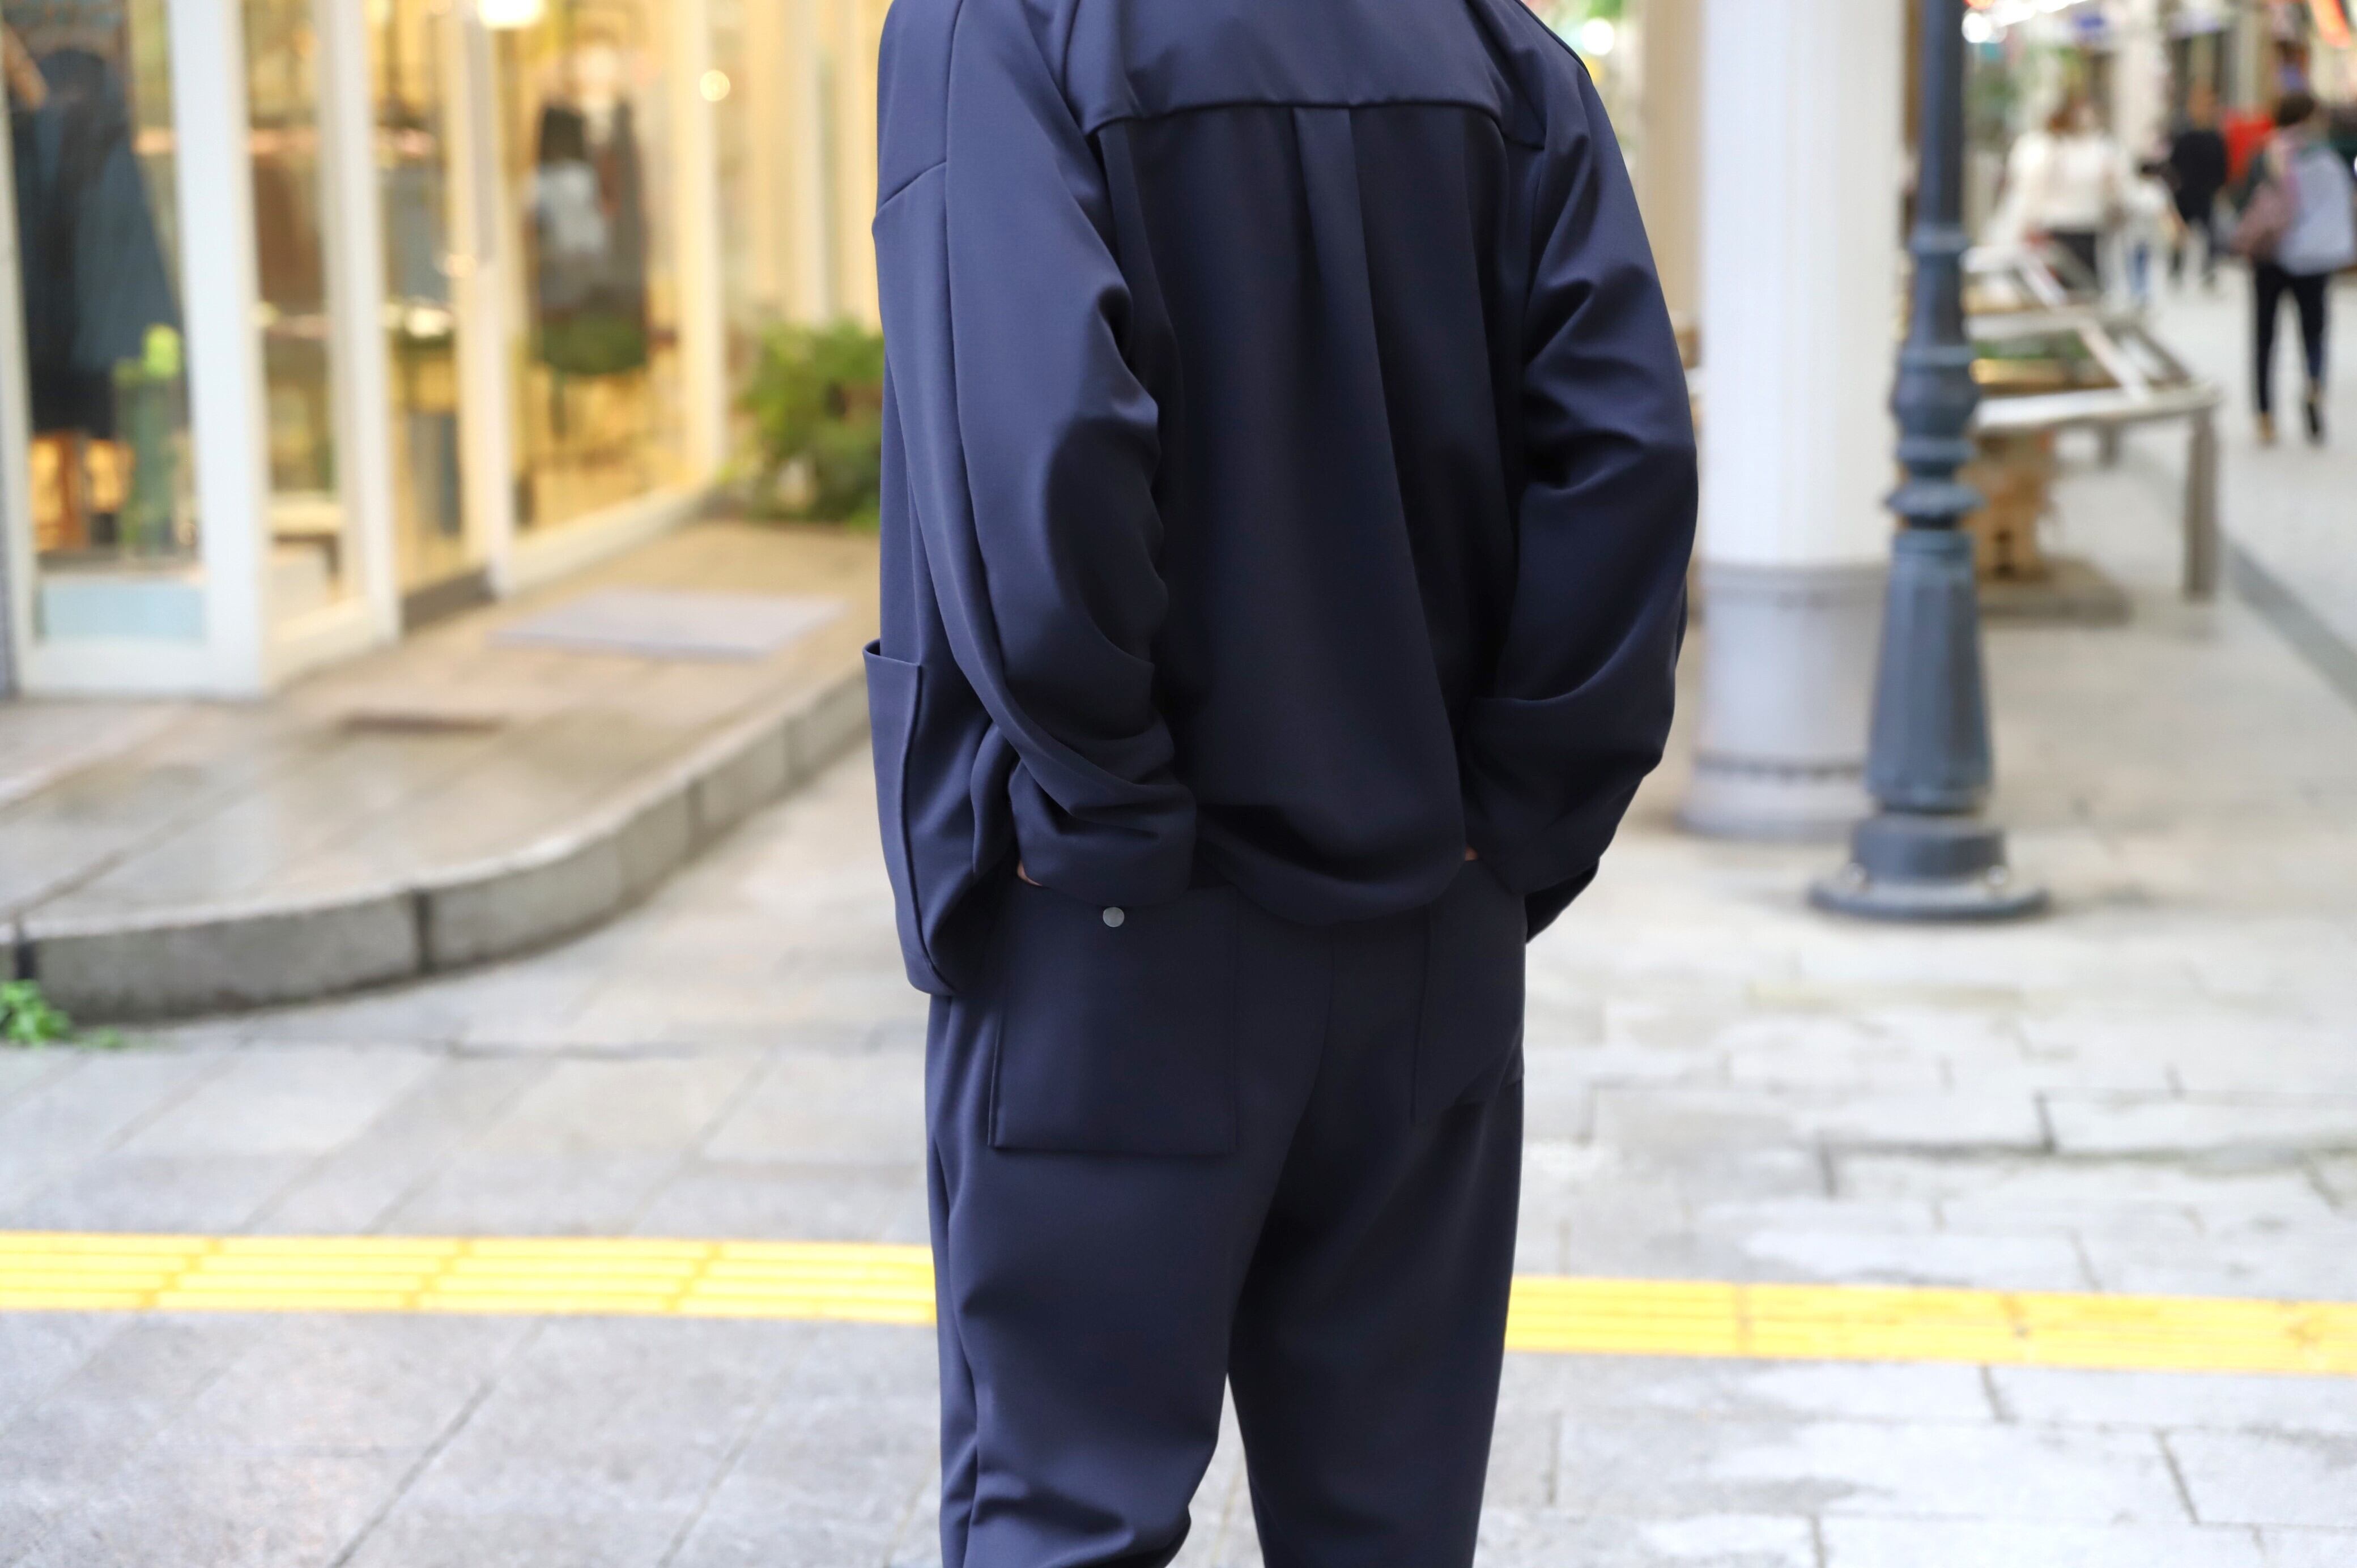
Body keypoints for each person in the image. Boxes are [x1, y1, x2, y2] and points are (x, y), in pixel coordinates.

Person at [866, 1, 1696, 1563]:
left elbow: (1038, 442)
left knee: (1067, 1512)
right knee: (1387, 1528)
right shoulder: (1499, 51)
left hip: (1119, 932)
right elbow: (1626, 461)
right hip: (1428, 920)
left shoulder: (1009, 27)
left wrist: (1104, 798)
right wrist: (1511, 818)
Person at [2245, 91, 2356, 445]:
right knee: (2314, 332)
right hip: (2314, 258)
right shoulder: (2329, 153)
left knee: (2265, 336)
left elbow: (2244, 199)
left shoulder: (2266, 153)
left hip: (2270, 255)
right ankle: (2314, 385)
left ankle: (2265, 416)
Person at [2003, 96, 2130, 289]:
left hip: (2088, 226)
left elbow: (2115, 187)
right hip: (2058, 227)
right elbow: (2033, 190)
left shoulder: (2100, 149)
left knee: (2086, 283)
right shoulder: (2048, 149)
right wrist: (2030, 224)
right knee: (2061, 284)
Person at [2167, 85, 2232, 289]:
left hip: (2206, 193)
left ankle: (2208, 271)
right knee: (2180, 234)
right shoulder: (2182, 135)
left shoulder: (2216, 137)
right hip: (2184, 194)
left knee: (2210, 234)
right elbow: (2173, 166)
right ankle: (2176, 270)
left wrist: (2221, 190)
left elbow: (2222, 166)